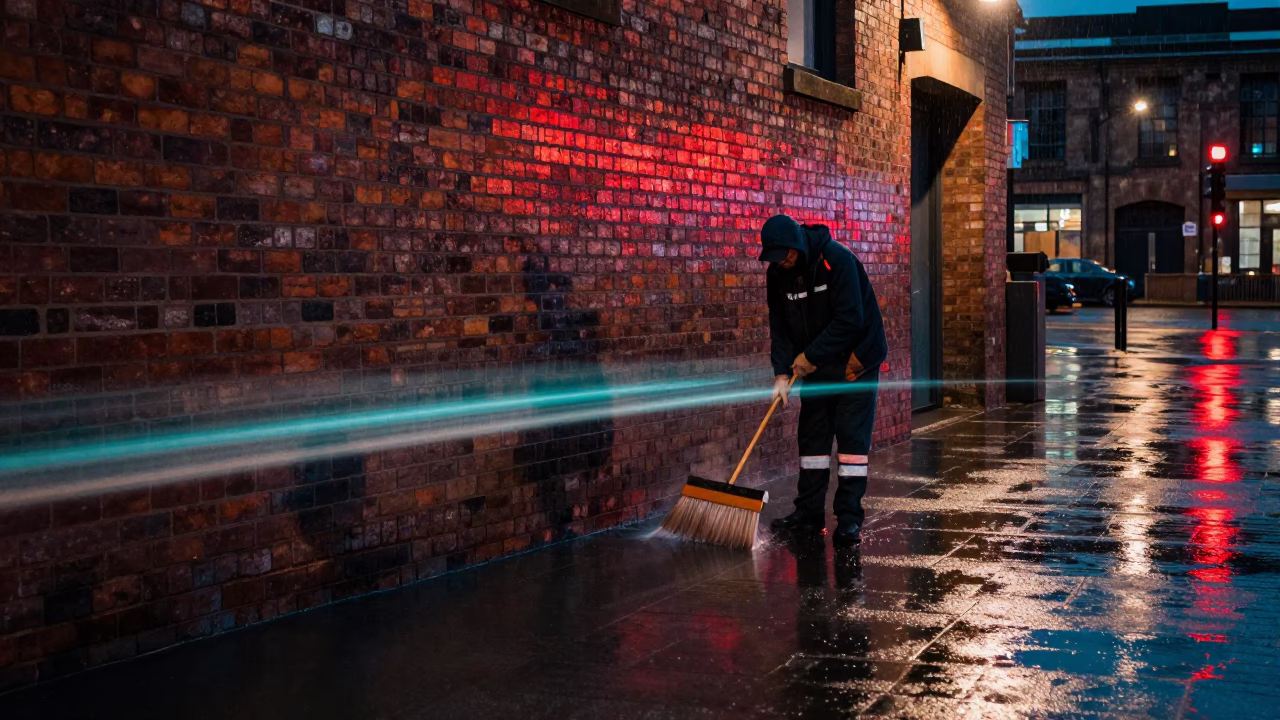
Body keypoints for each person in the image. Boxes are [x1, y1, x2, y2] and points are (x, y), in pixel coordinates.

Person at [758, 214, 887, 544]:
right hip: (815, 366)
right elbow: (781, 328)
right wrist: (782, 373)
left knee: (850, 444)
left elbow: (850, 320)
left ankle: (848, 519)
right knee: (812, 442)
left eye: (785, 256)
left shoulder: (837, 261)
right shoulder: (779, 275)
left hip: (854, 363)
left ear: (797, 245)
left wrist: (809, 357)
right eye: (775, 259)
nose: (782, 264)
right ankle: (809, 514)